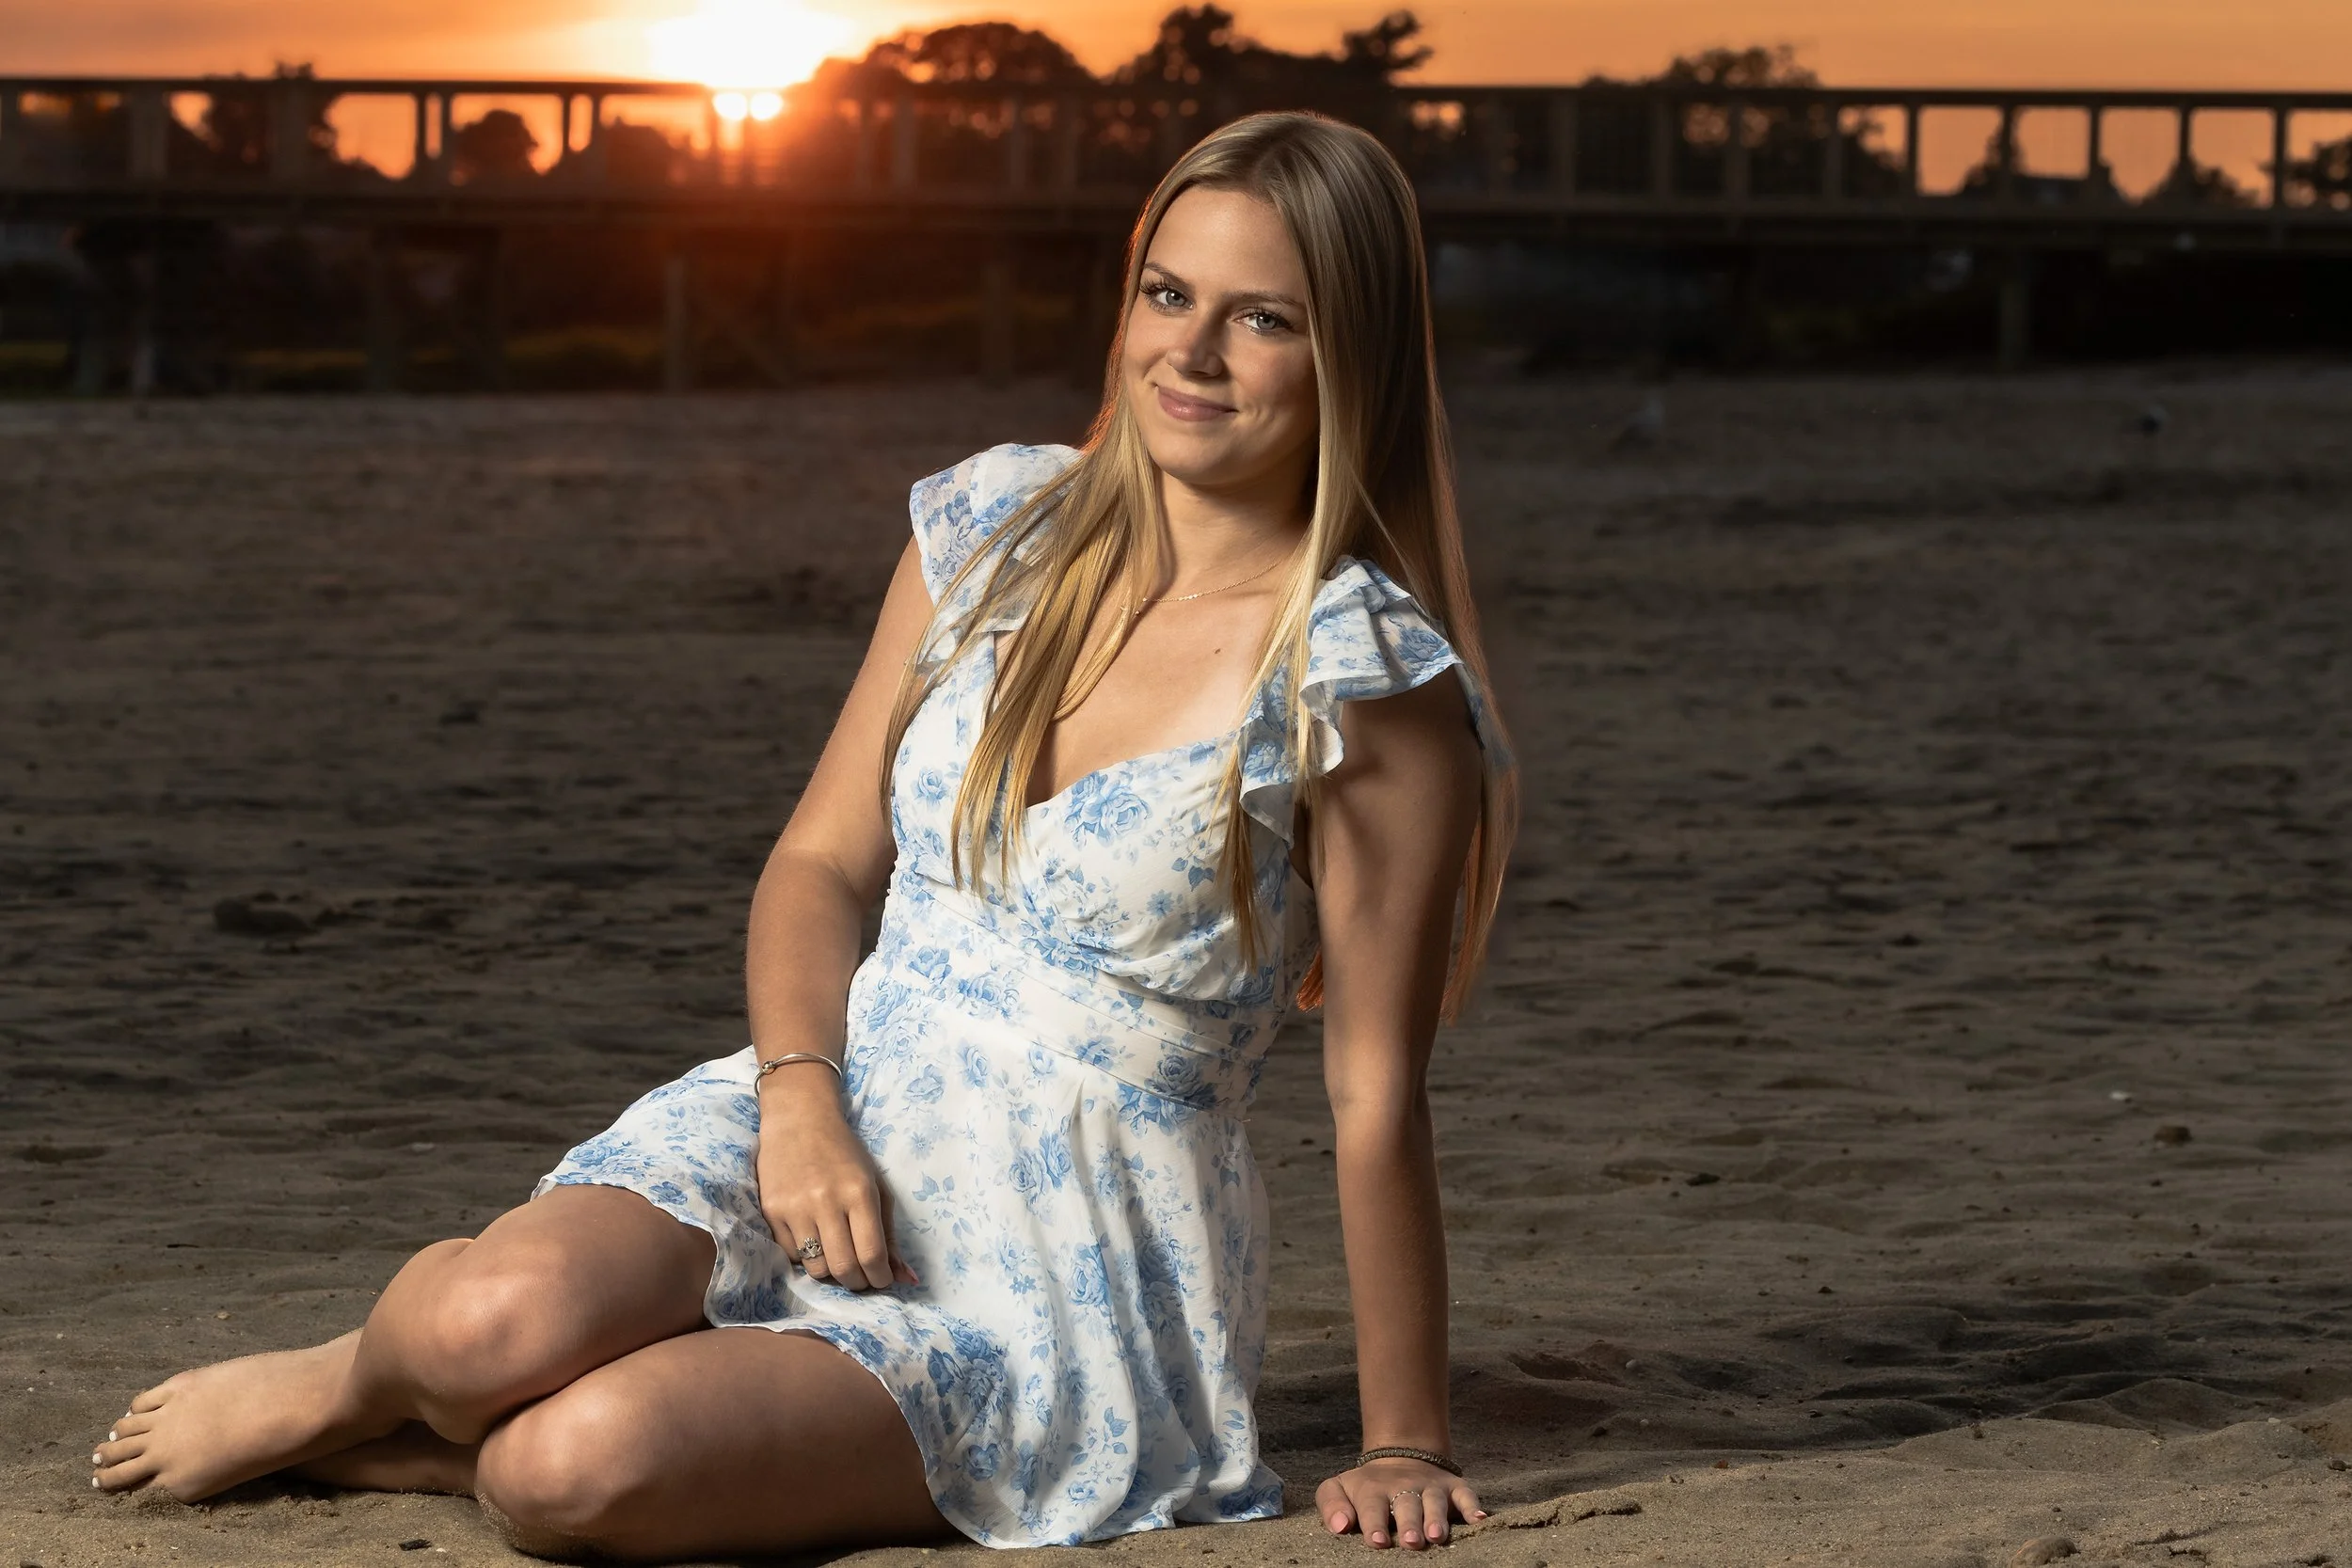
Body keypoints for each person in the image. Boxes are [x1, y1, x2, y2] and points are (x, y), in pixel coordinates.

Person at [87, 109, 1517, 1560]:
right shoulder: (996, 528)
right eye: (1168, 292)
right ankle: (346, 1383)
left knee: (564, 1465)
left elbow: (1374, 1093)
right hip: (834, 1104)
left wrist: (1405, 1436)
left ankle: (456, 1452)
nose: (1190, 352)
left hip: (1058, 1266)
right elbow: (822, 862)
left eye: (1262, 318)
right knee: (482, 1324)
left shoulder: (1362, 683)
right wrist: (799, 1097)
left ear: (1350, 356)